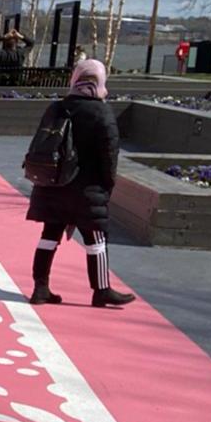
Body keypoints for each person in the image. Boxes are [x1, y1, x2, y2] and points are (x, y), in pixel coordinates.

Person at [27, 57, 136, 309]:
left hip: (53, 184)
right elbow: (109, 155)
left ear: (75, 79)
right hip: (88, 189)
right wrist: (107, 186)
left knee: (49, 236)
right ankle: (101, 290)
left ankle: (40, 288)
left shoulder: (57, 107)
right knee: (96, 240)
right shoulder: (102, 112)